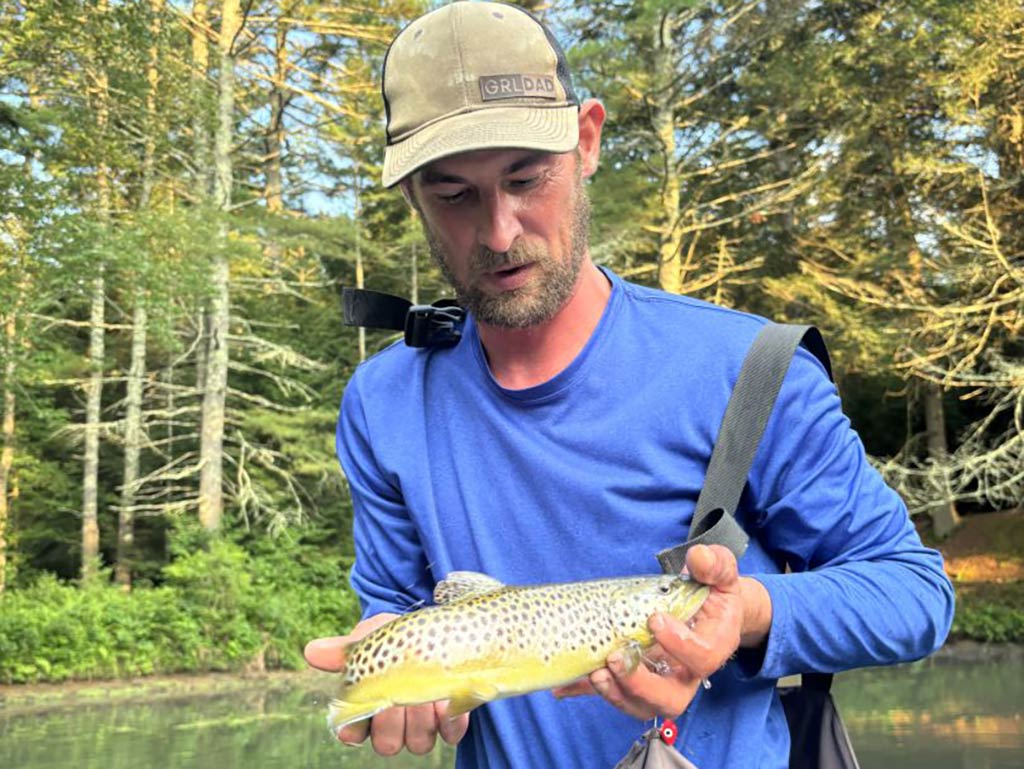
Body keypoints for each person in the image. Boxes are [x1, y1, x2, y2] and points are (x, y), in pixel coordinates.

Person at [303, 3, 955, 768]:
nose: (500, 230)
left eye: (525, 177)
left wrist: (746, 611)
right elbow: (394, 606)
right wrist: (393, 681)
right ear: (412, 195)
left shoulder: (750, 370)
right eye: (453, 195)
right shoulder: (382, 403)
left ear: (586, 140)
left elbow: (915, 592)